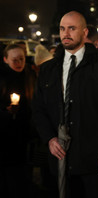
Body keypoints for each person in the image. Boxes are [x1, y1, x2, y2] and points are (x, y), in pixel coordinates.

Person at [32, 11, 98, 198]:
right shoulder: (49, 69)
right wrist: (49, 138)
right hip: (60, 159)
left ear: (84, 32)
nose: (66, 33)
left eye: (72, 28)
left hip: (94, 160)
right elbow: (38, 109)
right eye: (62, 29)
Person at [0, 44, 36, 198]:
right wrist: (5, 111)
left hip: (26, 130)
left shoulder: (30, 74)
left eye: (21, 59)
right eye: (14, 60)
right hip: (5, 134)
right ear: (5, 59)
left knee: (25, 171)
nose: (18, 63)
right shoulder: (2, 77)